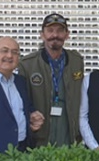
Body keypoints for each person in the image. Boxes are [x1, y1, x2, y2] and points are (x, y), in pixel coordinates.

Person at [18, 13, 84, 146]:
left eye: (60, 31)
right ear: (42, 35)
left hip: (68, 130)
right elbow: (22, 101)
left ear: (67, 34)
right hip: (41, 133)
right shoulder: (27, 64)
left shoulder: (76, 61)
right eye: (50, 30)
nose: (55, 35)